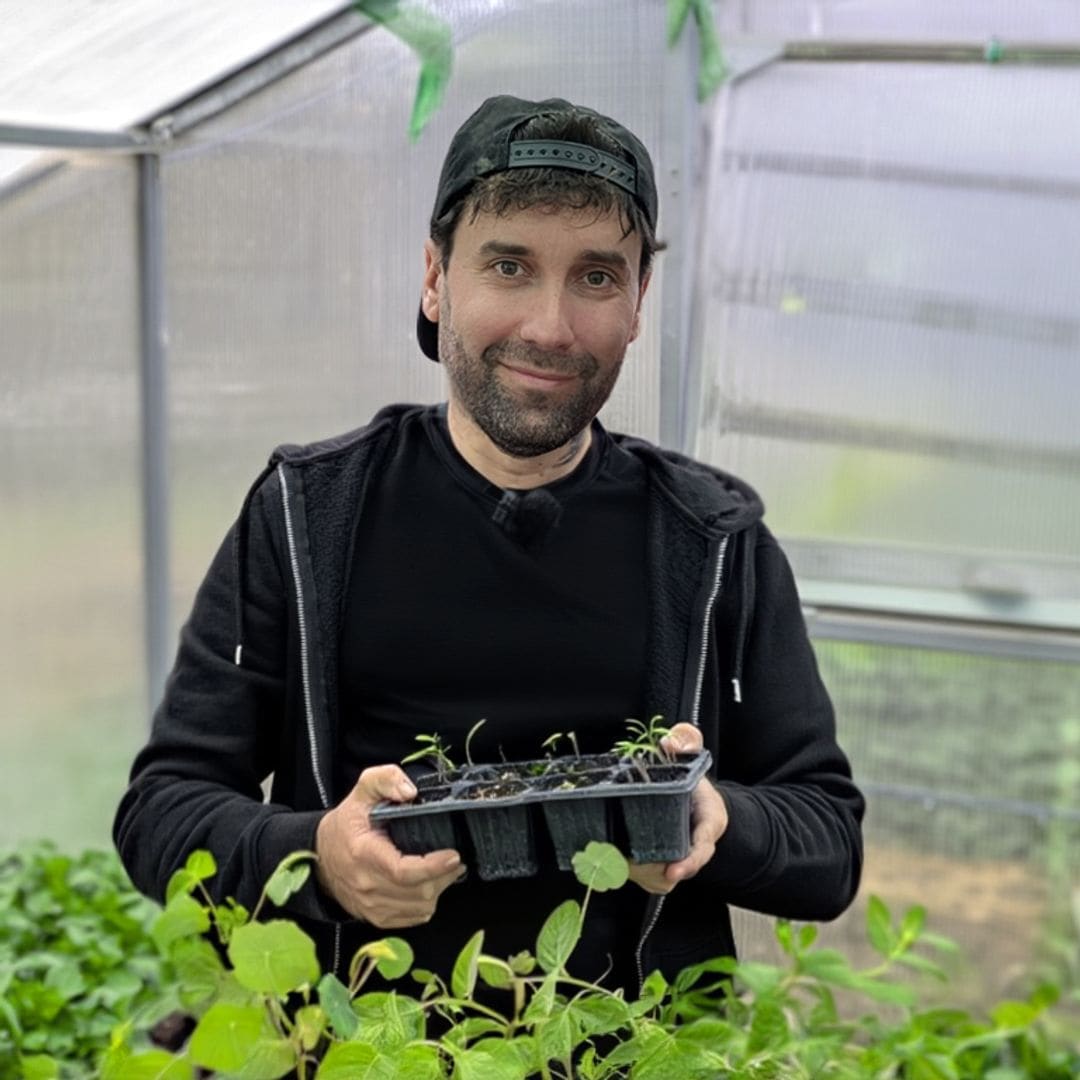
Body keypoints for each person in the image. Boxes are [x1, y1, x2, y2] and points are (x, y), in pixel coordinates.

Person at [114, 95, 864, 998]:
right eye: (509, 265)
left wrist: (717, 818)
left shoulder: (709, 542)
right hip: (361, 1051)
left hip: (632, 1051)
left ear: (636, 303)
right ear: (435, 278)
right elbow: (161, 812)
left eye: (596, 277)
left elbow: (828, 840)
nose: (550, 326)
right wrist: (315, 853)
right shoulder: (308, 515)